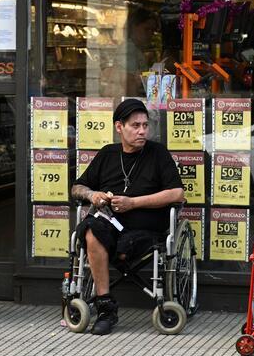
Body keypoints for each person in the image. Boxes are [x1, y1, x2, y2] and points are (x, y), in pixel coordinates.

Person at [70, 98, 184, 335]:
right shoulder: (107, 154)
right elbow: (77, 187)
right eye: (135, 125)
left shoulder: (158, 154)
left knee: (119, 243)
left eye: (145, 125)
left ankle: (114, 271)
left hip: (148, 227)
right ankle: (105, 306)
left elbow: (177, 193)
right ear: (119, 127)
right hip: (111, 223)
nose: (142, 131)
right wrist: (93, 196)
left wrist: (133, 203)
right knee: (92, 231)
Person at [101, 7, 159, 98]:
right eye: (146, 29)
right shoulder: (129, 49)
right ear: (133, 27)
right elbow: (129, 81)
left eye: (153, 31)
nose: (150, 34)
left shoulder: (135, 48)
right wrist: (135, 106)